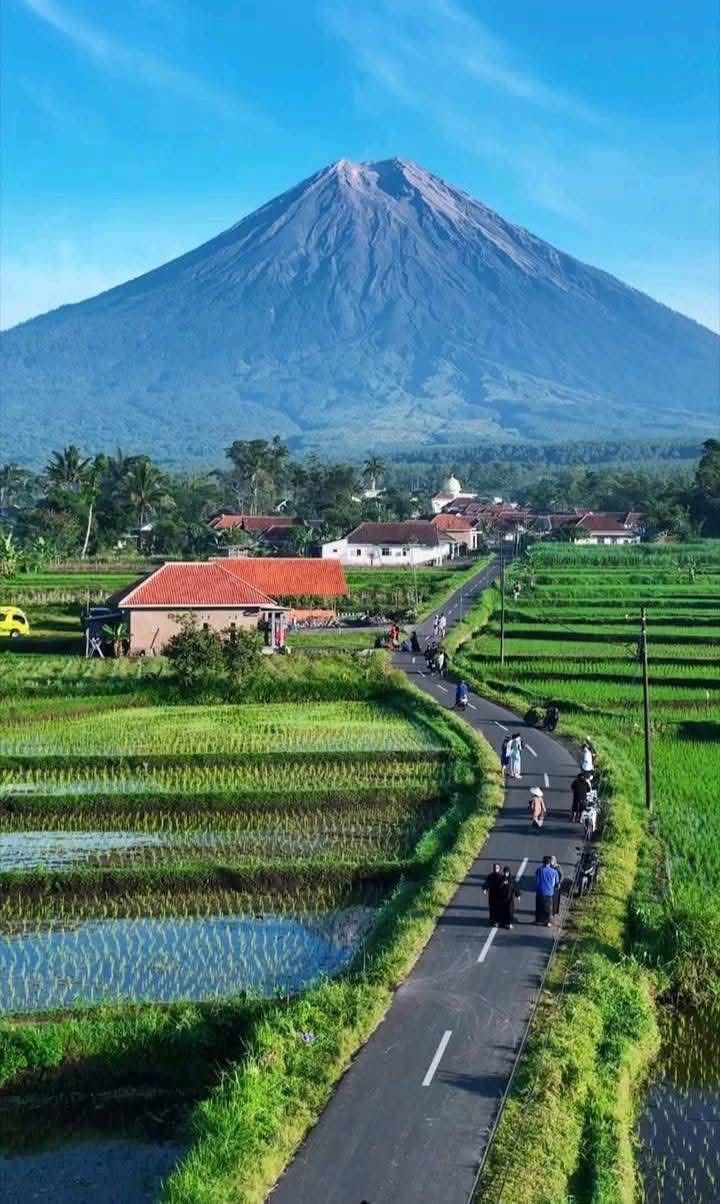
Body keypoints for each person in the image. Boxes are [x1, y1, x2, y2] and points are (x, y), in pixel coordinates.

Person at [535, 855, 556, 926]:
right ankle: (548, 922)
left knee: (539, 906)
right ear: (549, 863)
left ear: (543, 862)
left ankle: (538, 920)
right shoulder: (553, 871)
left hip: (540, 891)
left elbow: (537, 881)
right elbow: (553, 883)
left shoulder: (539, 870)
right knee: (548, 908)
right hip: (549, 892)